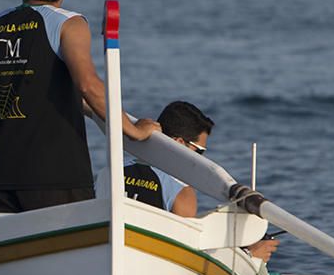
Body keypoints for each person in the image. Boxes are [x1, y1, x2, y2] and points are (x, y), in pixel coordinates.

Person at [0, 0, 160, 214]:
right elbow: (88, 84)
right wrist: (133, 129)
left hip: (3, 173)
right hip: (56, 174)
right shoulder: (69, 24)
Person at [95, 100, 278, 262]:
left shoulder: (108, 172)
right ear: (179, 143)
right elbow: (188, 256)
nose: (201, 159)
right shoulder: (182, 193)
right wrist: (247, 255)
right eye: (199, 151)